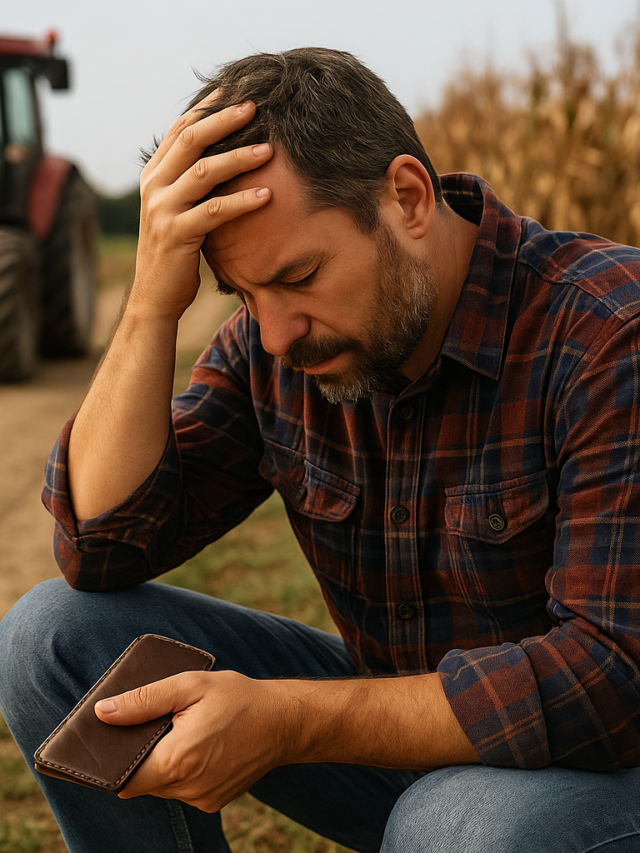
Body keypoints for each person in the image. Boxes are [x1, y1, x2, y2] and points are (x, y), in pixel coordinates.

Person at [2, 46, 640, 853]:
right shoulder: (277, 347)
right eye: (245, 294)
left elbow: (613, 679)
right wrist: (150, 305)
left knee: (454, 822)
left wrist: (290, 722)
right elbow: (100, 546)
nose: (274, 333)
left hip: (603, 777)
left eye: (299, 275)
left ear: (407, 197)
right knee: (52, 636)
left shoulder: (609, 336)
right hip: (411, 759)